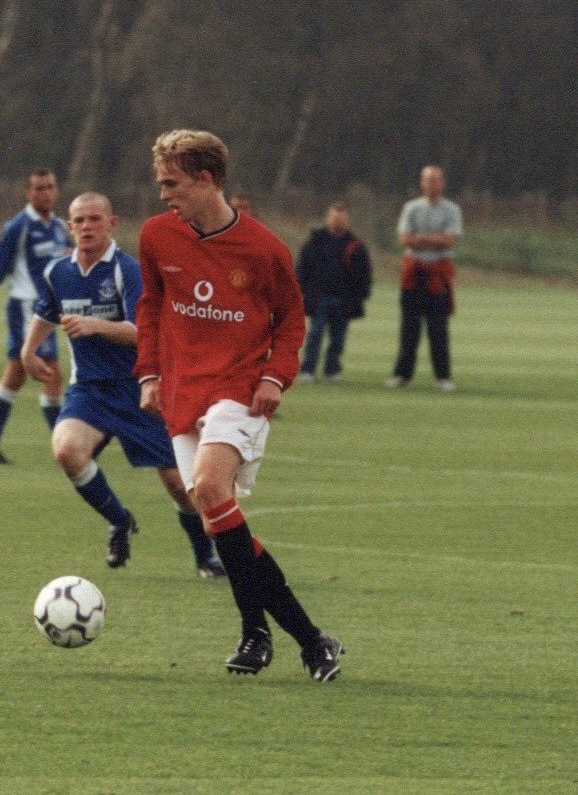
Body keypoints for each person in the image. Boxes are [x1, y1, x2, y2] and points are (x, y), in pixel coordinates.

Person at [134, 129, 344, 681]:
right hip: (182, 391)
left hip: (240, 389)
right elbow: (151, 305)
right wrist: (150, 373)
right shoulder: (157, 236)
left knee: (206, 489)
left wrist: (277, 376)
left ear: (206, 179)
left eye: (171, 183)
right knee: (217, 515)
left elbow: (293, 320)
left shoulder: (264, 248)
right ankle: (300, 638)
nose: (162, 196)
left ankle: (268, 635)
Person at [21, 191, 224, 578]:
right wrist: (30, 351)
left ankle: (205, 558)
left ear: (112, 224)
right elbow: (45, 311)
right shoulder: (57, 272)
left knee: (181, 486)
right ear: (69, 227)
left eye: (95, 219)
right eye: (79, 221)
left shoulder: (126, 271)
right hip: (90, 391)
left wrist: (95, 325)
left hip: (142, 391)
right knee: (66, 450)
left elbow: (143, 332)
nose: (86, 227)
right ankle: (119, 520)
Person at [0, 168, 70, 463]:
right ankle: (64, 447)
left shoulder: (59, 227)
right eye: (39, 188)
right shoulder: (18, 226)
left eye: (50, 187)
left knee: (15, 377)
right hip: (28, 307)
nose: (46, 193)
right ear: (28, 193)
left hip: (49, 310)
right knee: (51, 375)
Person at [386, 165, 462, 392]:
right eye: (428, 180)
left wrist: (419, 239)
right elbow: (404, 239)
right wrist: (431, 240)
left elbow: (448, 241)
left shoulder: (451, 209)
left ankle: (443, 377)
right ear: (421, 182)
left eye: (436, 180)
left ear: (443, 183)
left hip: (438, 273)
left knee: (438, 327)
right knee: (409, 327)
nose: (432, 184)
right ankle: (402, 374)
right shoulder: (411, 208)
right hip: (414, 273)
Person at [295, 201, 372, 384]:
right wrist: (302, 291)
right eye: (334, 217)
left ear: (348, 221)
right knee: (314, 335)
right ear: (327, 218)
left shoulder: (356, 245)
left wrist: (361, 295)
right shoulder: (315, 242)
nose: (338, 221)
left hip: (344, 299)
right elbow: (302, 269)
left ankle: (332, 370)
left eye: (342, 218)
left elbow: (364, 273)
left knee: (338, 338)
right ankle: (308, 370)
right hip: (319, 297)